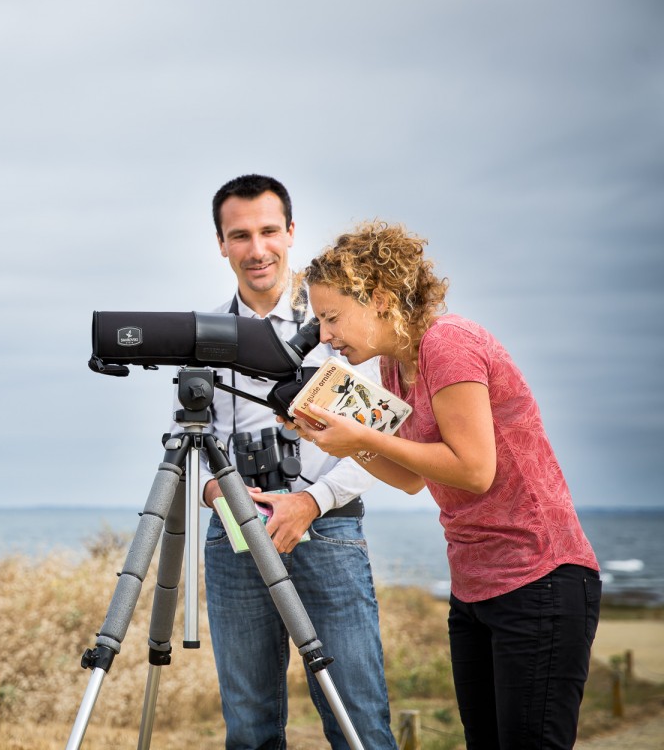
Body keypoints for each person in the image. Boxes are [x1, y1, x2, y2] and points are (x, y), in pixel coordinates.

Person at [294, 220, 601, 749]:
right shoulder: (393, 366)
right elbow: (413, 478)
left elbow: (473, 468)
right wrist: (339, 442)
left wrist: (364, 436)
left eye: (331, 317)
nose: (324, 334)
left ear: (382, 299)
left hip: (539, 576)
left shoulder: (448, 343)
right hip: (475, 585)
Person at [179, 174, 398, 750]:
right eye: (241, 235)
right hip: (236, 532)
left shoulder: (339, 323)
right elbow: (196, 444)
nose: (257, 249)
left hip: (328, 524)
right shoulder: (205, 338)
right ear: (221, 243)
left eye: (269, 231)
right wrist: (217, 493)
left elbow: (377, 436)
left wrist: (310, 500)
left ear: (292, 232)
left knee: (359, 720)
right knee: (249, 727)